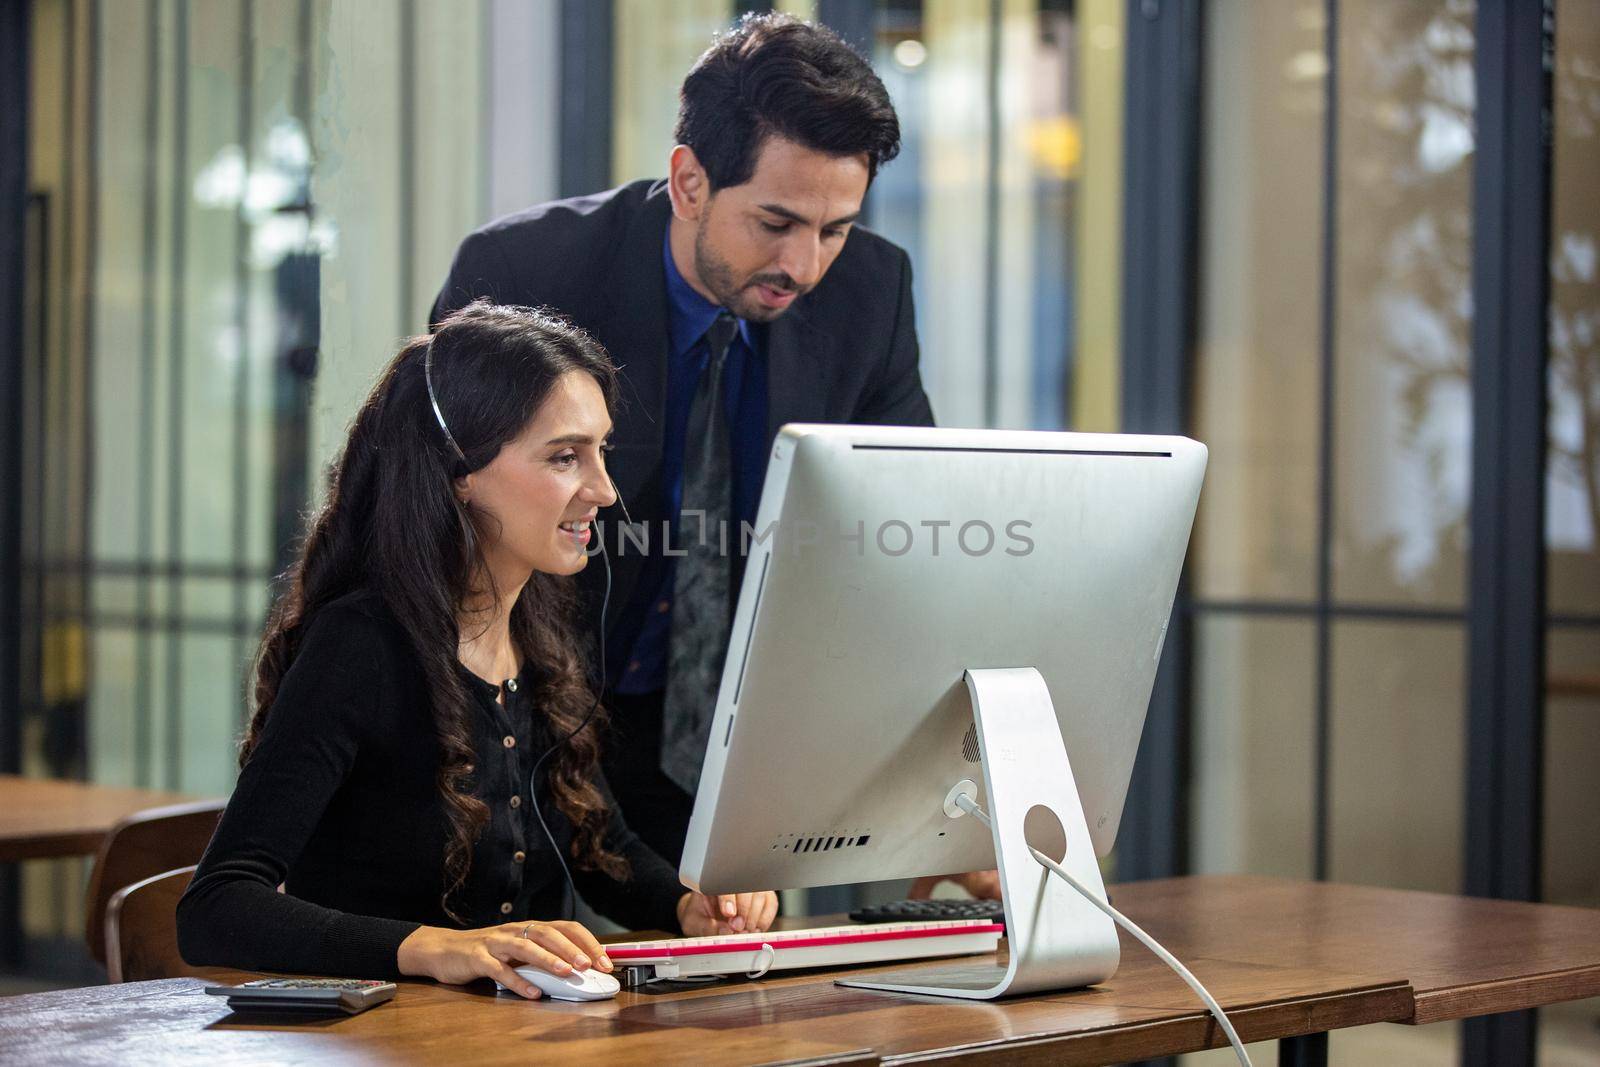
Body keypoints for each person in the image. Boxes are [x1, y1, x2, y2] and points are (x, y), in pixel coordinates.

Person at [430, 15, 990, 901]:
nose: (804, 264)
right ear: (688, 180)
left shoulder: (871, 293)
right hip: (529, 718)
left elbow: (898, 550)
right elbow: (440, 531)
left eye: (835, 228)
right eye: (775, 222)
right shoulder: (526, 272)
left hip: (740, 742)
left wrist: (931, 800)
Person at [177, 302, 777, 998]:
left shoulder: (542, 624)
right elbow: (217, 904)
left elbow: (599, 847)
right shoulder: (360, 644)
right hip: (390, 1043)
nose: (605, 490)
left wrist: (688, 904)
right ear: (458, 468)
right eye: (564, 456)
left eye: (601, 451)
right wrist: (434, 947)